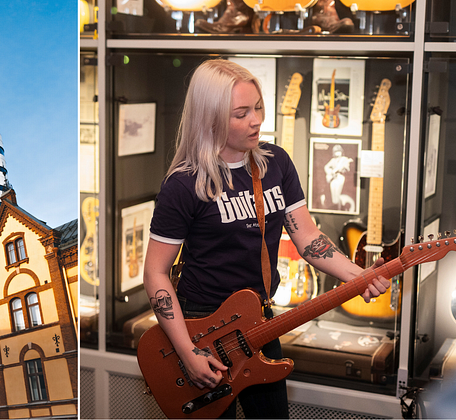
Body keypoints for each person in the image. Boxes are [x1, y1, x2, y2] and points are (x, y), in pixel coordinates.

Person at [142, 59, 391, 419]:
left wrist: (357, 276)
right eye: (241, 113)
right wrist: (186, 351)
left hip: (258, 320)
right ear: (209, 117)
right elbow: (155, 273)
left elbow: (307, 237)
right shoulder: (185, 184)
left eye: (258, 107)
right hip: (201, 327)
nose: (256, 120)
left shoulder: (275, 163)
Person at [322, 144, 355, 211]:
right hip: (333, 178)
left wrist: (341, 169)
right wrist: (331, 172)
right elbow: (326, 167)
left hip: (340, 177)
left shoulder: (345, 159)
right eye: (336, 151)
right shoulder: (333, 160)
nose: (338, 153)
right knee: (333, 194)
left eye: (339, 151)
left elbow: (347, 169)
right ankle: (334, 206)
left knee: (337, 193)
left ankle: (339, 207)